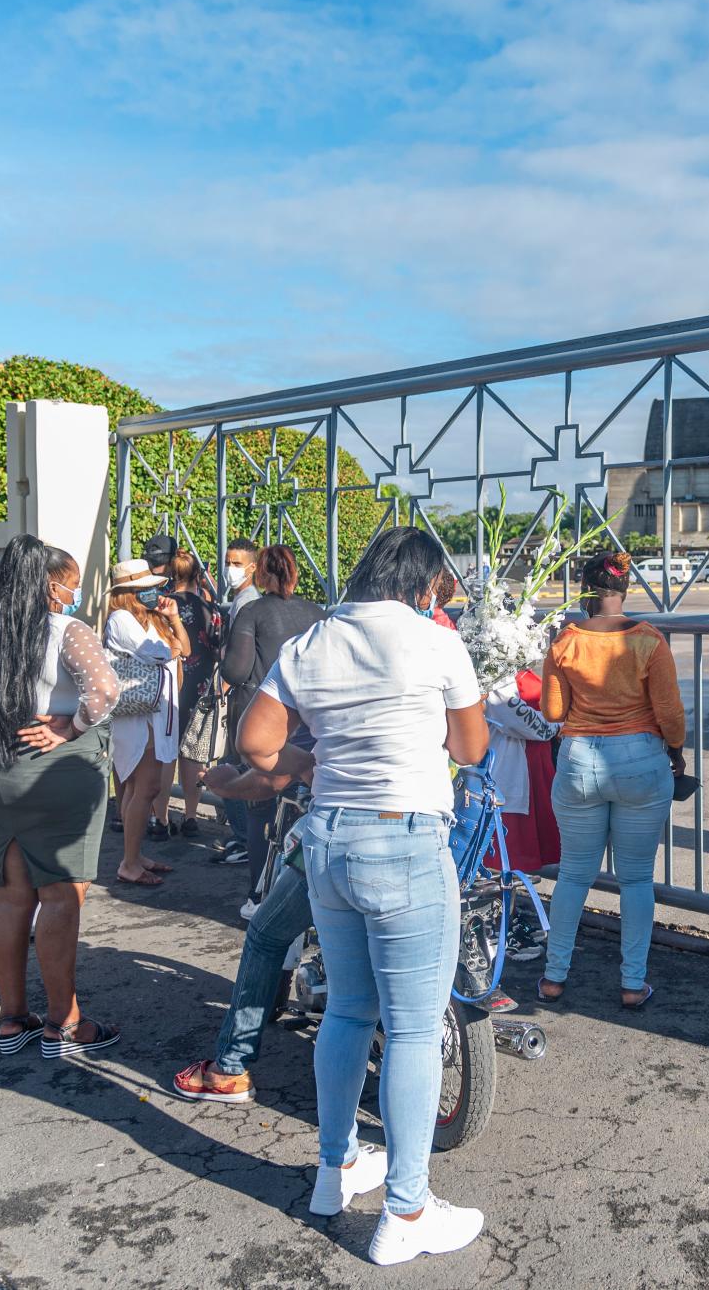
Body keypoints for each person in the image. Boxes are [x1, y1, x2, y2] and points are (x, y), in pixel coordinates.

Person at [240, 525, 488, 1264]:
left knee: (347, 1010)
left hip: (329, 838)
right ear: (422, 584)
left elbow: (255, 743)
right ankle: (407, 1209)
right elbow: (471, 748)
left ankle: (336, 1168)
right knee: (412, 1028)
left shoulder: (311, 642)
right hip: (404, 836)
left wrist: (309, 763)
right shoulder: (436, 641)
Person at [0, 535, 121, 1058]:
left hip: (0, 763)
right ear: (51, 586)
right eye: (71, 585)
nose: (74, 594)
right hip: (57, 766)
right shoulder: (67, 630)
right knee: (60, 895)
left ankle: (12, 1019)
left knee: (9, 893)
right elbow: (105, 691)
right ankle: (64, 1023)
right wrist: (71, 728)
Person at [536, 550, 684, 1011]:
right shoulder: (649, 640)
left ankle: (553, 977)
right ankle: (632, 983)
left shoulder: (566, 641)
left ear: (586, 591)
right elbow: (670, 714)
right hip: (641, 762)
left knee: (573, 875)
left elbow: (553, 711)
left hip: (580, 762)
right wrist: (676, 751)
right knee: (636, 879)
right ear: (625, 590)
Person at [170, 761, 309, 1106]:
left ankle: (230, 1067)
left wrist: (227, 785)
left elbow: (274, 768)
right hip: (424, 839)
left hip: (343, 838)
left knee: (265, 935)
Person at [216, 546, 326, 875]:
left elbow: (236, 670)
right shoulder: (317, 613)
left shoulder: (253, 612)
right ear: (295, 573)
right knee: (304, 801)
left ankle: (257, 890)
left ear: (260, 574)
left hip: (261, 717)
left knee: (260, 805)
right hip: (309, 721)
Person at [103, 559, 191, 883]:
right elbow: (160, 652)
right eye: (146, 588)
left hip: (153, 711)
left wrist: (174, 621)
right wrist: (172, 647)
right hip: (139, 715)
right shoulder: (120, 619)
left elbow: (183, 648)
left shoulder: (150, 618)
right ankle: (129, 863)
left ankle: (134, 855)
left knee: (136, 786)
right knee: (147, 786)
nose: (153, 593)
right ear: (130, 592)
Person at [486, 666, 560, 959]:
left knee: (511, 861)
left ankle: (508, 919)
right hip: (505, 775)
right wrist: (558, 723)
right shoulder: (494, 667)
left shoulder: (513, 661)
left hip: (525, 772)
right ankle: (497, 928)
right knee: (501, 860)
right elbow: (516, 718)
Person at [167, 550, 225, 840]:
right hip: (201, 685)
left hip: (170, 684)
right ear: (198, 575)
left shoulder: (164, 605)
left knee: (166, 751)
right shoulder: (211, 608)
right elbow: (218, 645)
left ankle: (160, 815)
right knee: (193, 753)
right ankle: (190, 815)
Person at [225, 538, 261, 618]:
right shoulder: (241, 597)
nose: (230, 568)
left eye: (237, 564)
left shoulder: (246, 602)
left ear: (252, 567)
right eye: (227, 563)